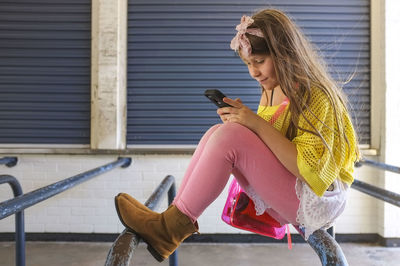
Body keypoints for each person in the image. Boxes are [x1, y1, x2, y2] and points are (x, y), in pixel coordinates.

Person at [114, 8, 360, 262]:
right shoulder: (272, 89)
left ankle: (169, 229)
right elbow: (270, 148)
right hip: (292, 192)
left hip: (317, 199)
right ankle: (171, 218)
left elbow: (309, 170)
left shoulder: (313, 95)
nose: (254, 72)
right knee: (218, 132)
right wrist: (244, 122)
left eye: (260, 61)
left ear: (285, 53)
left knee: (229, 136)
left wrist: (252, 123)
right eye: (248, 64)